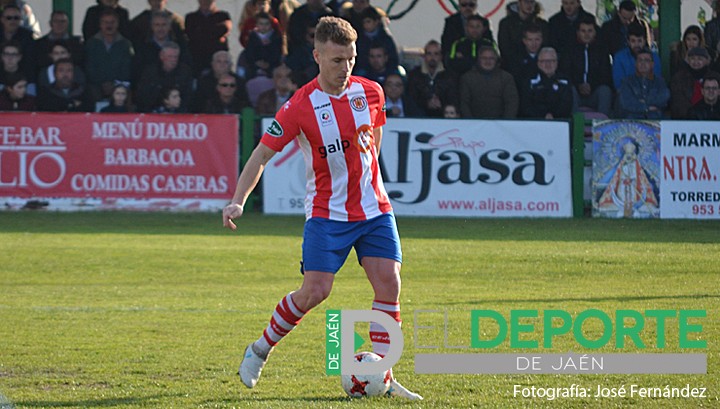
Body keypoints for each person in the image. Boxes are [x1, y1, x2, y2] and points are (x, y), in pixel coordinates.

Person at [223, 16, 422, 401]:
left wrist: (367, 181)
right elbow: (262, 154)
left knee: (389, 284)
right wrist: (238, 199)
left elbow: (374, 138)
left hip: (374, 209)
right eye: (336, 60)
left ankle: (381, 373)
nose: (345, 68)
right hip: (327, 214)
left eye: (350, 59)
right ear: (317, 56)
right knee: (316, 291)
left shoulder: (372, 92)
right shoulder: (300, 106)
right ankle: (260, 349)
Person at [560, 15, 612, 116]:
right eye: (583, 31)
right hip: (576, 93)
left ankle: (602, 125)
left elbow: (606, 75)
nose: (586, 34)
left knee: (605, 91)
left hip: (594, 93)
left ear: (595, 32)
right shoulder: (569, 50)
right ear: (578, 33)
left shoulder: (601, 50)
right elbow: (564, 73)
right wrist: (579, 85)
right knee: (569, 89)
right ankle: (574, 124)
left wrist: (591, 86)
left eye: (590, 31)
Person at [84, 8, 133, 105]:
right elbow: (89, 68)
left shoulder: (126, 44)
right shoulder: (91, 44)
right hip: (95, 89)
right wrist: (102, 84)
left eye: (112, 22)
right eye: (105, 22)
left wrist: (114, 85)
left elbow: (127, 69)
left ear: (117, 24)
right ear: (100, 24)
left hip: (120, 89)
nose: (109, 25)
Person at [460, 45, 518, 119]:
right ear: (478, 59)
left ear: (496, 60)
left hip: (500, 124)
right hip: (474, 125)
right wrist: (471, 122)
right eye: (484, 58)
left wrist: (505, 122)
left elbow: (511, 103)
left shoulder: (506, 78)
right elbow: (464, 103)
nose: (488, 61)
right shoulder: (467, 78)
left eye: (491, 58)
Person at [135, 42, 194, 113]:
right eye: (170, 56)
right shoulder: (150, 72)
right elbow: (142, 96)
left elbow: (188, 97)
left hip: (179, 114)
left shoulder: (185, 72)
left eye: (175, 57)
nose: (173, 60)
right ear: (161, 56)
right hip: (152, 112)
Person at [406, 40, 458, 118]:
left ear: (441, 56)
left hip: (444, 118)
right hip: (419, 118)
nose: (432, 57)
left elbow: (454, 99)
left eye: (436, 54)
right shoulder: (414, 75)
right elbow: (410, 99)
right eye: (429, 54)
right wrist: (426, 103)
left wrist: (441, 104)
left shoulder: (450, 76)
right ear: (424, 56)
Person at [519, 47, 573, 119]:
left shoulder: (565, 81)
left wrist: (553, 115)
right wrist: (543, 115)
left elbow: (567, 105)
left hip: (560, 122)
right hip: (535, 122)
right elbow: (526, 106)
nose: (548, 64)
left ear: (557, 62)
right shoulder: (529, 81)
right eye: (544, 61)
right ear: (538, 63)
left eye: (551, 61)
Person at [616, 47, 669, 119]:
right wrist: (647, 108)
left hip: (656, 119)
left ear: (652, 64)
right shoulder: (627, 82)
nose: (643, 63)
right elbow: (626, 103)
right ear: (635, 63)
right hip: (633, 121)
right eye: (640, 60)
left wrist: (642, 101)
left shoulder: (660, 81)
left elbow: (664, 98)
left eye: (646, 60)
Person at [498, 0, 549, 75]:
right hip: (512, 68)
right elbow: (504, 47)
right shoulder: (506, 23)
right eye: (526, 2)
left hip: (538, 68)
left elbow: (546, 45)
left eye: (532, 2)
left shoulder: (542, 24)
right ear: (519, 3)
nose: (529, 5)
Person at [185, 0, 233, 75]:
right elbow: (193, 36)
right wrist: (215, 31)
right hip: (197, 60)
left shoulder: (223, 16)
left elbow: (224, 29)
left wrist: (201, 29)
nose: (205, 2)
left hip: (218, 61)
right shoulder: (191, 18)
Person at [670, 47, 717, 119]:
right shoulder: (679, 78)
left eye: (700, 59)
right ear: (688, 60)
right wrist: (693, 114)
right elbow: (678, 102)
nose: (696, 62)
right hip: (685, 119)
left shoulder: (715, 77)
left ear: (707, 61)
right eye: (692, 58)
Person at [612, 23, 662, 89]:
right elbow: (619, 85)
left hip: (650, 94)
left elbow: (656, 81)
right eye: (633, 41)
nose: (636, 45)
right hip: (627, 95)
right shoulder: (620, 57)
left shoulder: (654, 57)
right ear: (628, 41)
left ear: (644, 41)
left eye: (639, 41)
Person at [354, 6, 398, 75]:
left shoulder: (385, 37)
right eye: (364, 22)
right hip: (365, 70)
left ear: (376, 22)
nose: (365, 25)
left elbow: (393, 58)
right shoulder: (359, 38)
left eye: (368, 21)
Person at [244, 12, 283, 79]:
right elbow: (249, 53)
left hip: (271, 69)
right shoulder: (252, 37)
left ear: (271, 24)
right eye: (261, 24)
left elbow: (277, 53)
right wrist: (256, 62)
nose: (264, 27)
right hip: (254, 69)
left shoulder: (276, 37)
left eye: (266, 24)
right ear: (256, 25)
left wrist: (268, 64)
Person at [0, 5, 35, 82]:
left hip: (22, 80)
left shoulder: (27, 36)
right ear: (2, 19)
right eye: (9, 18)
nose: (13, 21)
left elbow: (30, 61)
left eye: (16, 18)